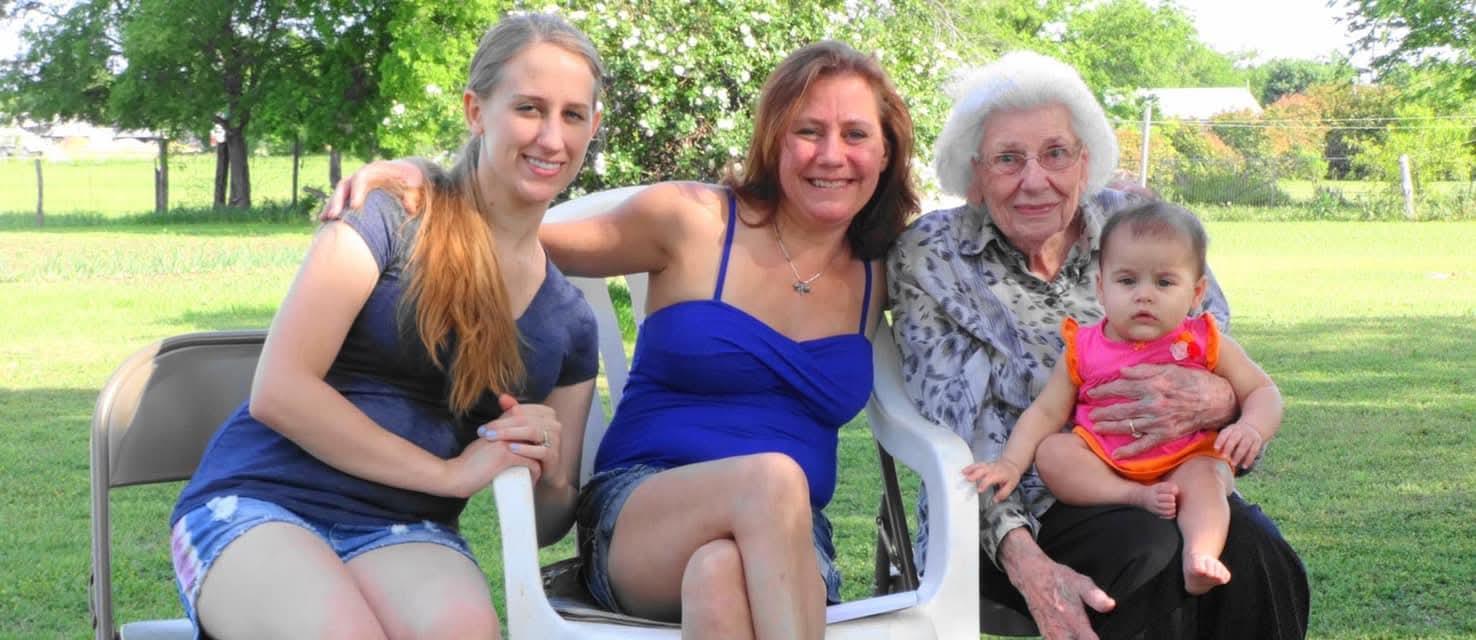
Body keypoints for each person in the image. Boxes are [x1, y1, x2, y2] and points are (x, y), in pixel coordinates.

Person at [325, 40, 916, 639]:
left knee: (718, 574)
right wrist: (422, 179)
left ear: (887, 149)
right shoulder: (693, 222)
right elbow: (510, 224)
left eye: (856, 135)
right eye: (808, 131)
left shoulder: (890, 268)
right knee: (773, 477)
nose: (832, 155)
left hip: (790, 539)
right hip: (642, 513)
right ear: (773, 140)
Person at [167, 14, 603, 639]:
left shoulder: (570, 322)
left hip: (407, 533)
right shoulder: (388, 217)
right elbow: (280, 390)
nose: (552, 138)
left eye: (573, 115)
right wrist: (451, 475)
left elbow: (545, 520)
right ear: (476, 111)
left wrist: (545, 462)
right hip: (261, 501)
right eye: (530, 108)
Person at [888, 51, 1308, 639]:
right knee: (1149, 553)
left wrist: (1218, 404)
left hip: (1171, 474)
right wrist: (1023, 557)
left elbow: (1214, 338)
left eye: (1056, 153)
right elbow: (962, 430)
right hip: (1027, 505)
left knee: (1259, 551)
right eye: (1008, 159)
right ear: (975, 172)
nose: (1035, 179)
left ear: (1085, 162)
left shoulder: (1135, 220)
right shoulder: (935, 257)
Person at [962, 200, 1284, 596]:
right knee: (1053, 452)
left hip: (1184, 459)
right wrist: (1011, 463)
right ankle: (1135, 496)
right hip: (1105, 463)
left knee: (1206, 481)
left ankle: (1200, 556)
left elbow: (1263, 391)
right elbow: (1046, 411)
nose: (1144, 296)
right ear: (1101, 287)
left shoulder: (1206, 341)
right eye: (1127, 281)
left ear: (1197, 292)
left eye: (1164, 283)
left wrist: (1252, 426)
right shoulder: (1083, 347)